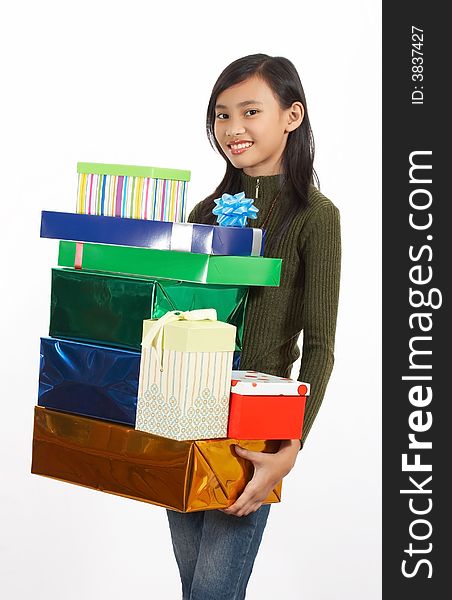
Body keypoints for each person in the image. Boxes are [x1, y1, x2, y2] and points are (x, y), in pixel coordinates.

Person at [166, 53, 341, 600]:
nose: (232, 129)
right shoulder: (203, 212)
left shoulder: (316, 215)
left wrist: (291, 446)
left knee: (214, 592)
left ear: (292, 116)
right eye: (221, 115)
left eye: (249, 111)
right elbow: (173, 322)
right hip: (184, 413)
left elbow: (320, 349)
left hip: (253, 433)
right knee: (196, 589)